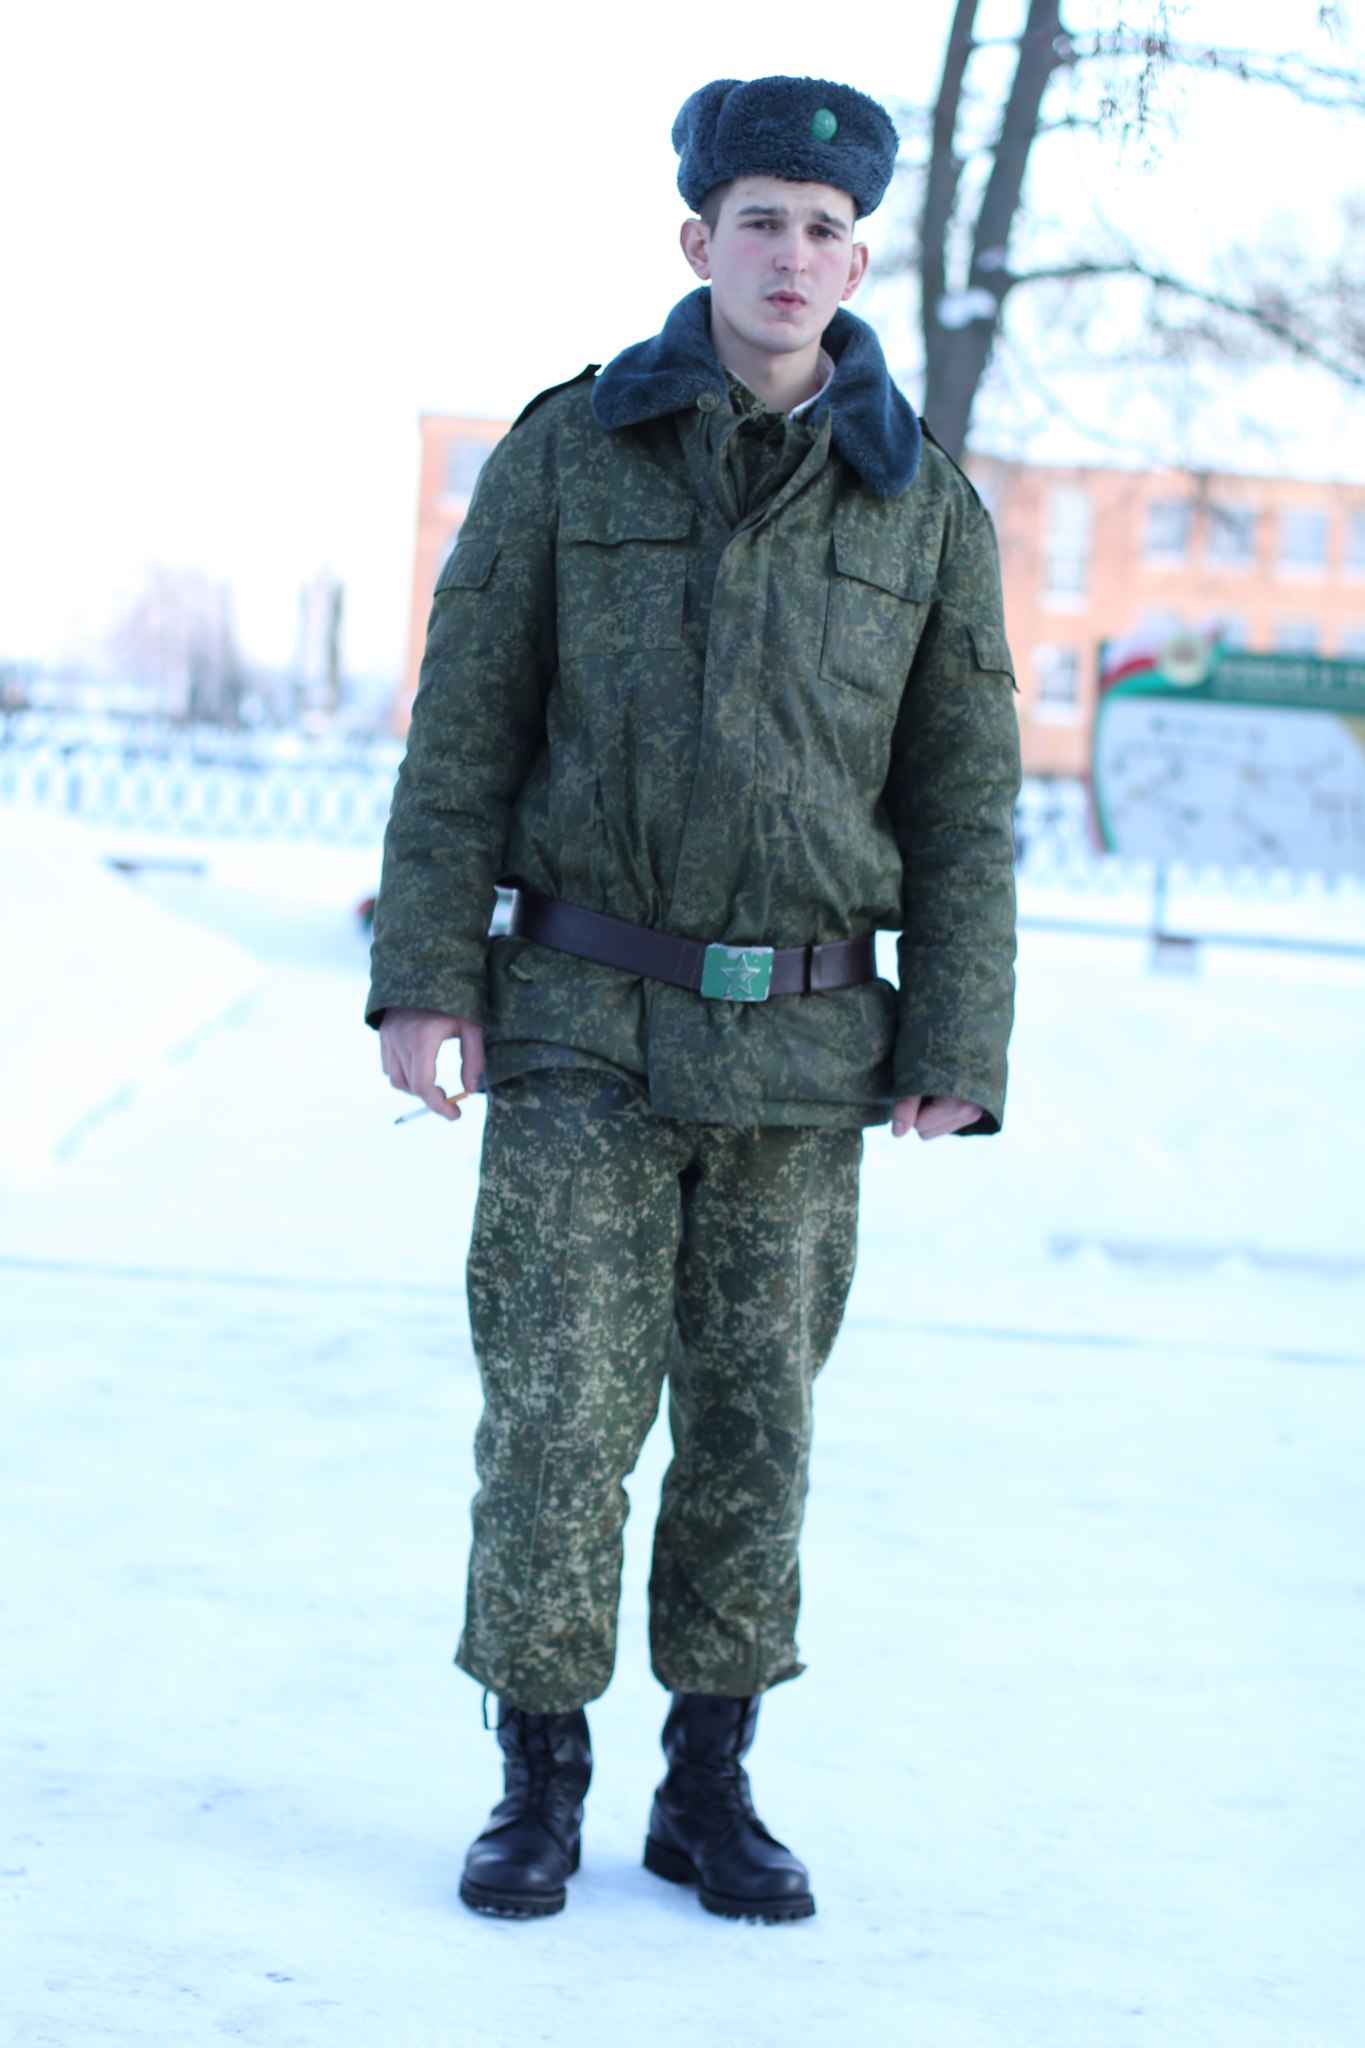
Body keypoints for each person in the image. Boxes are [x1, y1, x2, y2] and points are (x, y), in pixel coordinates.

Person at [368, 73, 1020, 1924]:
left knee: (754, 1433)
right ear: (696, 239)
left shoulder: (922, 501)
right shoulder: (569, 452)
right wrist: (425, 979)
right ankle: (537, 1780)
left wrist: (954, 1038)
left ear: (856, 260)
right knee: (557, 1416)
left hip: (802, 1050)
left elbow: (962, 794)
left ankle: (707, 1787)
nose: (789, 256)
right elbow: (463, 731)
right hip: (581, 1015)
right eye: (759, 222)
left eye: (822, 230)